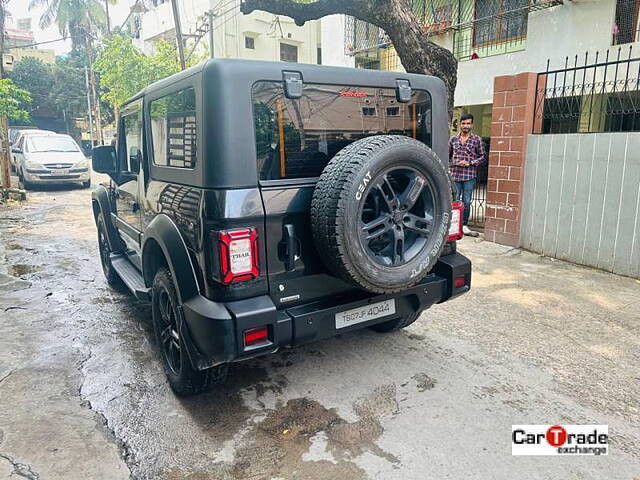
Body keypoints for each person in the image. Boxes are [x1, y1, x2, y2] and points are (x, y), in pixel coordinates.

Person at [449, 113, 486, 235]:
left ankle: (464, 225)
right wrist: (455, 163)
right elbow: (447, 157)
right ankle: (452, 225)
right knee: (454, 200)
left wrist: (470, 162)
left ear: (472, 124)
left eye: (468, 123)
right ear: (460, 124)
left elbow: (483, 157)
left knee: (467, 201)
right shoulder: (453, 139)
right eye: (463, 123)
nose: (466, 126)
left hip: (469, 175)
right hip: (455, 175)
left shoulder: (477, 140)